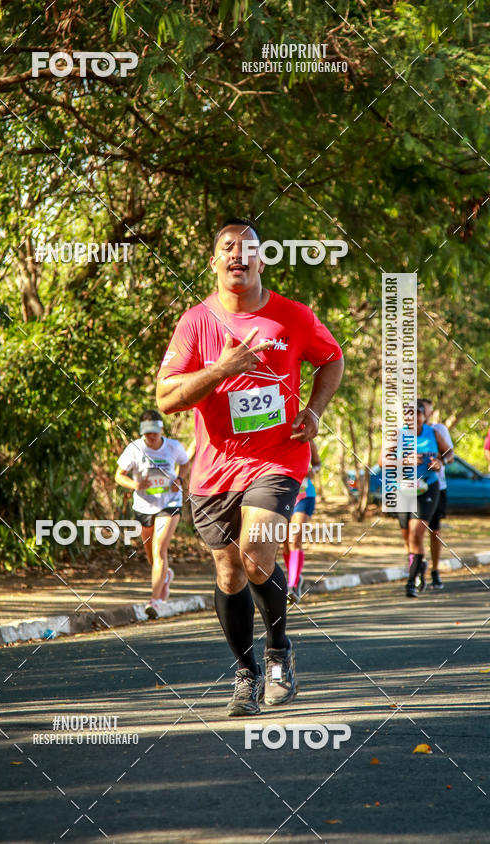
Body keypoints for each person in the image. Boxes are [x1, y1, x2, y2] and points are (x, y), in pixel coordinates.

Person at [156, 217, 343, 716]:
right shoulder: (196, 322)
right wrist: (221, 368)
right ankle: (246, 672)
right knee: (229, 573)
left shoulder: (293, 316)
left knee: (257, 553)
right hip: (215, 468)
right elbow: (166, 399)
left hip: (277, 457)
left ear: (262, 260)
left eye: (248, 248)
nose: (238, 255)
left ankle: (279, 652)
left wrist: (314, 410)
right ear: (214, 262)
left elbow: (332, 358)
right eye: (228, 248)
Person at [115, 410, 191, 618]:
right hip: (144, 505)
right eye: (147, 432)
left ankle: (155, 601)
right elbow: (119, 475)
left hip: (169, 503)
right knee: (151, 555)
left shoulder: (173, 447)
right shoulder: (135, 449)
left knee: (159, 550)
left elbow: (185, 463)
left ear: (161, 430)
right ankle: (165, 576)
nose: (151, 436)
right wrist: (135, 485)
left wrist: (180, 480)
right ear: (142, 432)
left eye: (155, 432)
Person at [383, 400, 452, 598]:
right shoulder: (396, 435)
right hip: (403, 489)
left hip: (428, 487)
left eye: (416, 414)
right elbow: (382, 461)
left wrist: (441, 462)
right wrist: (404, 461)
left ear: (423, 416)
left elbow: (449, 453)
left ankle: (411, 583)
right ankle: (419, 565)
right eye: (408, 414)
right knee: (407, 537)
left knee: (416, 533)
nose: (412, 418)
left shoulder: (434, 433)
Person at [421, 397, 454, 591]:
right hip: (412, 487)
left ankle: (434, 570)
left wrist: (441, 461)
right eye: (422, 410)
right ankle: (417, 569)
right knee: (414, 531)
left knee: (435, 531)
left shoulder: (438, 430)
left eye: (427, 410)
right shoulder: (405, 432)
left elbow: (450, 454)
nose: (426, 413)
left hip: (437, 486)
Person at [284, 440, 321, 602]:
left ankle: (291, 586)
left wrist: (313, 470)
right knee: (285, 544)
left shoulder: (308, 441)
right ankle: (296, 578)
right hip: (283, 495)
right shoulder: (277, 438)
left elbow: (317, 464)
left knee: (294, 540)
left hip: (304, 495)